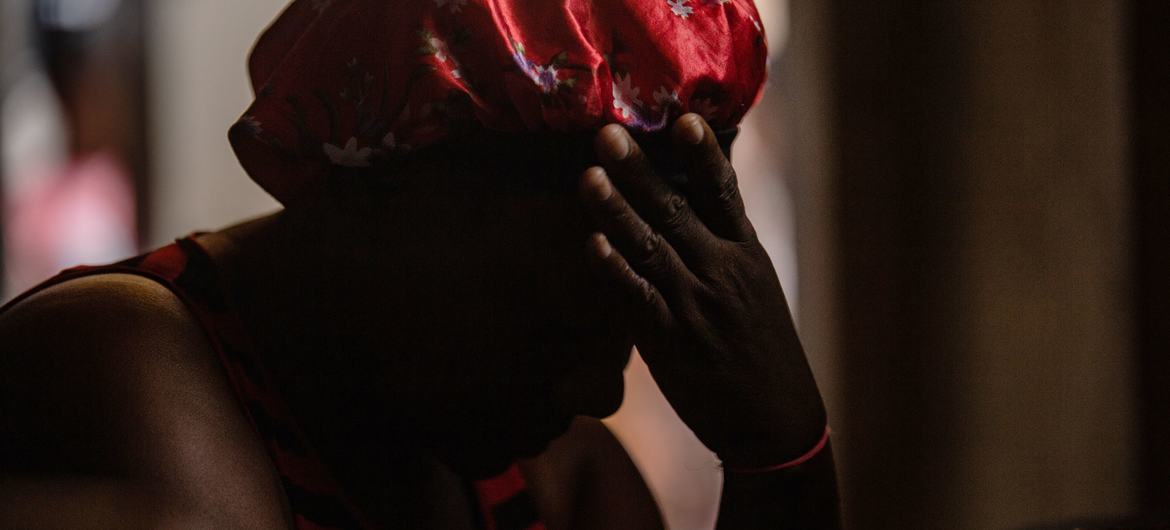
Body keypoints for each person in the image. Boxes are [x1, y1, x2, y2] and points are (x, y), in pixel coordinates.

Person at [0, 1, 840, 528]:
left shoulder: (554, 473)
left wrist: (782, 457)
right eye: (561, 325)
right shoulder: (125, 367)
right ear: (377, 197)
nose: (603, 391)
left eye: (621, 334)